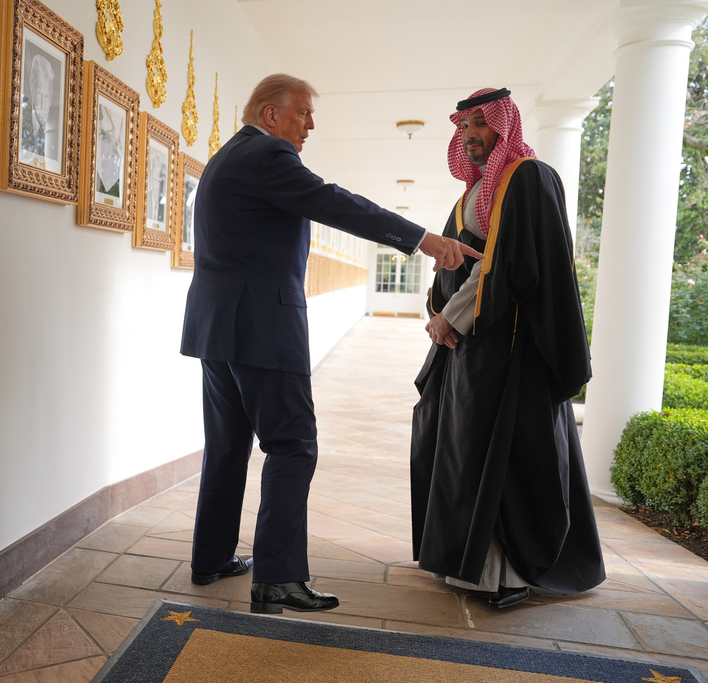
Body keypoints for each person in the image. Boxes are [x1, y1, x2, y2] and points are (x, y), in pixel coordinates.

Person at [179, 73, 481, 614]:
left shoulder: (227, 158)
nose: (310, 125)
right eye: (302, 114)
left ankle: (212, 557)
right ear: (270, 115)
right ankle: (278, 577)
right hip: (263, 330)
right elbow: (336, 202)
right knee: (293, 445)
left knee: (227, 445)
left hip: (216, 329)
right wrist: (424, 239)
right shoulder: (269, 157)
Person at [410, 88, 605, 609]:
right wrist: (437, 315)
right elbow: (455, 263)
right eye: (464, 126)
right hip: (472, 348)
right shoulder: (472, 194)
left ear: (504, 126)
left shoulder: (527, 178)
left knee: (504, 457)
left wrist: (450, 318)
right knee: (464, 451)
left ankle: (506, 574)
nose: (470, 134)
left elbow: (513, 267)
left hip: (513, 349)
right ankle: (463, 562)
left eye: (480, 124)